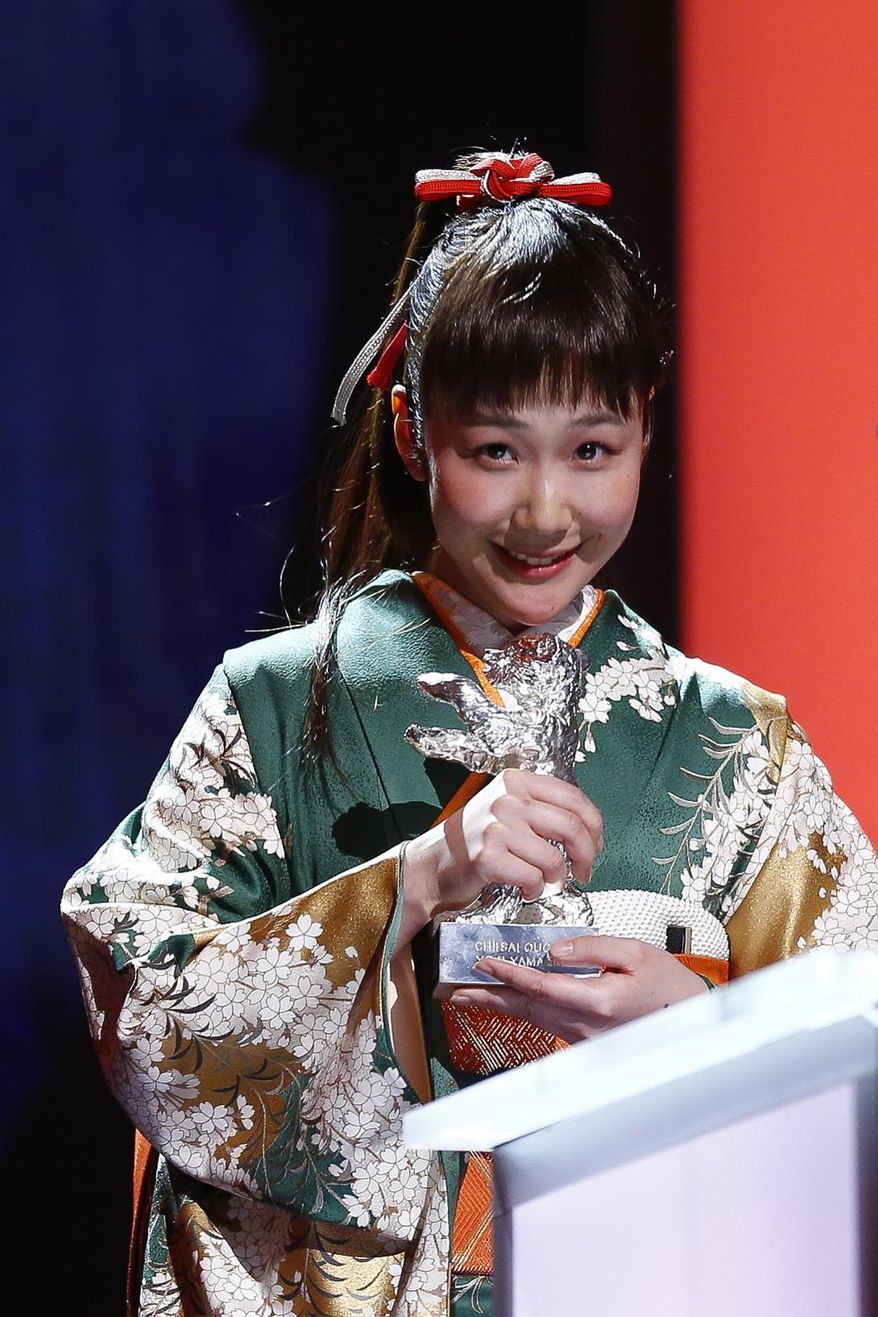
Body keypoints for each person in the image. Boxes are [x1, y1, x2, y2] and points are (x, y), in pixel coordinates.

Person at [61, 147, 878, 1317]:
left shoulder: (736, 744)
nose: (545, 511)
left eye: (591, 450)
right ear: (410, 430)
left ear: (648, 429)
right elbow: (134, 989)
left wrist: (697, 1029)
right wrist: (414, 879)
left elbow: (851, 1033)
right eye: (494, 451)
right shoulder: (276, 702)